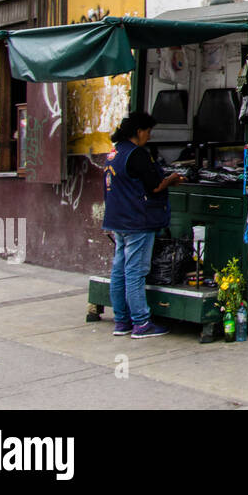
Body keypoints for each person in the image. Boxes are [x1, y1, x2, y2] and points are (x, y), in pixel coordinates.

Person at [102, 112, 183, 338]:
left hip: (117, 219)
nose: (149, 136)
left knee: (119, 271)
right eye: (148, 131)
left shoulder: (114, 152)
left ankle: (121, 321)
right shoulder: (137, 154)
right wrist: (172, 179)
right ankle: (141, 322)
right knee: (135, 272)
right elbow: (155, 186)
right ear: (139, 131)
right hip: (137, 220)